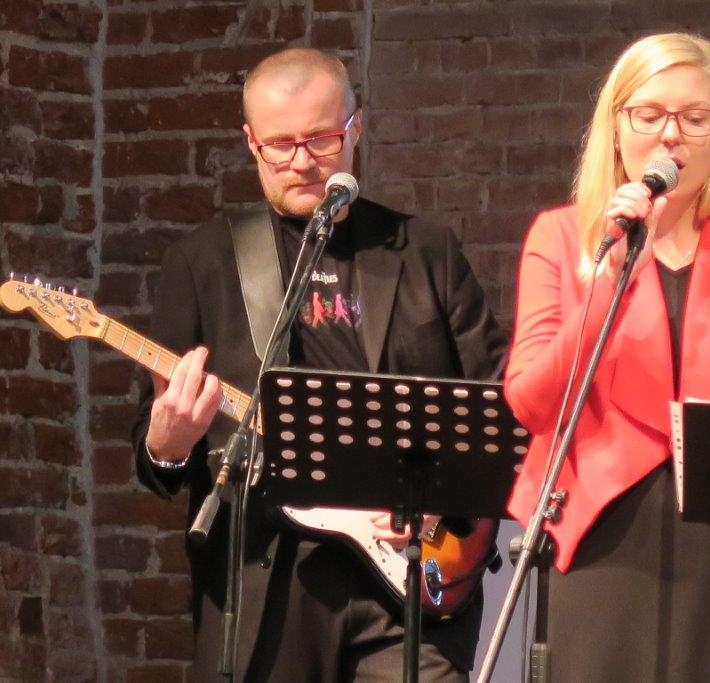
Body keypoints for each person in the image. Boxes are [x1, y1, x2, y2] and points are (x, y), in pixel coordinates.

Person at [131, 48, 506, 681]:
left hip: (412, 577)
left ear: (356, 128)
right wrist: (168, 443)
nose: (302, 162)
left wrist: (444, 500)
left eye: (322, 139)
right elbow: (157, 462)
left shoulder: (426, 252)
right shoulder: (203, 262)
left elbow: (498, 402)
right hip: (267, 583)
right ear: (250, 142)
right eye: (280, 145)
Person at [503, 33, 710, 681]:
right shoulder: (563, 237)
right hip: (606, 552)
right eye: (650, 114)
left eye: (695, 118)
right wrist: (608, 275)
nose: (671, 135)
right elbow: (531, 401)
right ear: (616, 127)